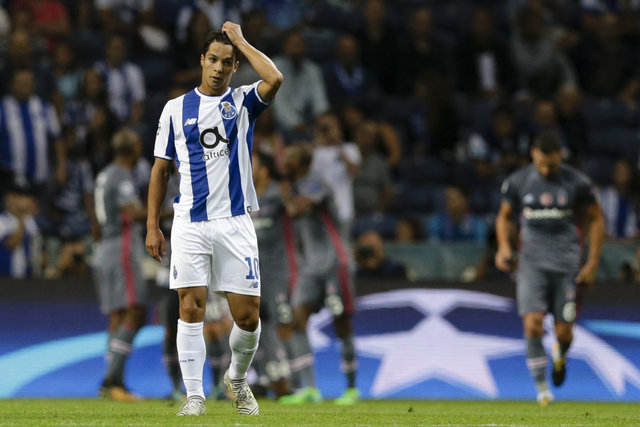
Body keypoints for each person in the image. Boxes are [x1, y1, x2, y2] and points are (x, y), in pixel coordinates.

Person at [145, 23, 283, 417]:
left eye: (226, 62)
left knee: (248, 316)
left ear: (235, 66)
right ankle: (194, 397)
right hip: (190, 222)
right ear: (202, 61)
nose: (219, 68)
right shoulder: (175, 109)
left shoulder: (243, 102)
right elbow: (160, 169)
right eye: (213, 60)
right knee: (190, 307)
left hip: (235, 222)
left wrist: (240, 41)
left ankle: (236, 379)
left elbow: (275, 78)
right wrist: (152, 225)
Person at [494, 131, 605, 406]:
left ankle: (560, 353)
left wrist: (592, 263)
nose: (545, 170)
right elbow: (504, 217)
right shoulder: (518, 181)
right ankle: (543, 390)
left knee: (564, 331)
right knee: (532, 323)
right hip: (531, 265)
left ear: (560, 156)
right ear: (533, 153)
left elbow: (596, 219)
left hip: (567, 266)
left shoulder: (577, 182)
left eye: (551, 165)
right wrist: (504, 247)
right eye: (542, 164)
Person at [278, 144, 359, 406]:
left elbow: (296, 210)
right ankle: (310, 388)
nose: (284, 161)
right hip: (310, 267)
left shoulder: (316, 182)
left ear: (300, 162)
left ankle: (351, 389)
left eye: (289, 157)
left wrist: (284, 195)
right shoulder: (295, 186)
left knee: (341, 323)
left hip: (335, 262)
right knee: (296, 320)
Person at [92, 128, 149, 402]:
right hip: (121, 248)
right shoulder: (122, 175)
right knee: (136, 312)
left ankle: (113, 384)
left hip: (104, 246)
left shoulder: (104, 174)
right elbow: (133, 212)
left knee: (117, 316)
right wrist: (174, 210)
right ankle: (111, 380)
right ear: (134, 147)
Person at [250, 151, 295, 398]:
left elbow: (295, 211)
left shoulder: (278, 194)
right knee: (258, 326)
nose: (248, 166)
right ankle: (268, 377)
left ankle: (295, 379)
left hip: (279, 271)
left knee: (283, 324)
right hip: (254, 274)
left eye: (253, 163)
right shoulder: (246, 197)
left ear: (265, 170)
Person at [0, 175, 40, 278]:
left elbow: (37, 249)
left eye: (27, 196)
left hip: (28, 281)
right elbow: (11, 244)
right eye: (21, 196)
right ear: (9, 198)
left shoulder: (31, 221)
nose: (27, 200)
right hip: (5, 280)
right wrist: (21, 218)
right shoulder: (2, 221)